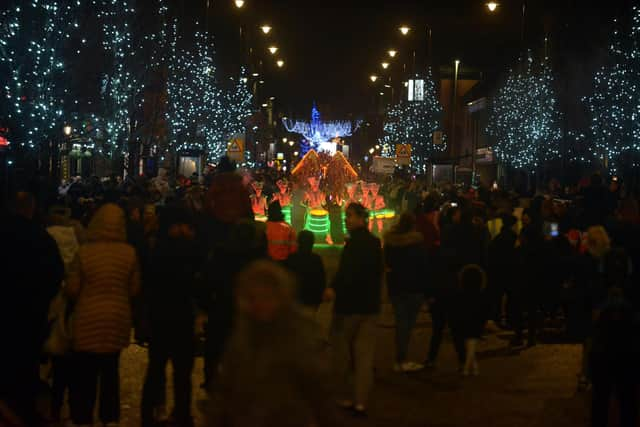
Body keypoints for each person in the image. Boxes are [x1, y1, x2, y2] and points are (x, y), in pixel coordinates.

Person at [216, 261, 338, 427]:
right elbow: (225, 394)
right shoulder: (243, 336)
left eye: (267, 298)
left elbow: (320, 395)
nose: (259, 304)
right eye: (252, 298)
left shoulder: (301, 337)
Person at [66, 203, 141, 426]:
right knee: (110, 371)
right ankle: (109, 416)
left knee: (85, 374)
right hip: (116, 318)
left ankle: (83, 415)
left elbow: (72, 288)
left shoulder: (85, 252)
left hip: (87, 317)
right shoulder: (129, 253)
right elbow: (135, 288)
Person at [0, 192, 64, 426]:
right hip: (30, 311)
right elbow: (55, 274)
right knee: (26, 362)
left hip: (6, 309)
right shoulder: (41, 238)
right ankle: (23, 408)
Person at [141, 205, 201, 427]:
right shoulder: (186, 249)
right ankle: (182, 414)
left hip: (159, 315)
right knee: (181, 373)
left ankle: (149, 415)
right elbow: (196, 281)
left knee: (156, 369)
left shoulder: (155, 247)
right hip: (181, 316)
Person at [324, 202, 383, 416]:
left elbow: (345, 274)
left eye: (349, 216)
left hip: (350, 308)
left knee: (342, 354)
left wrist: (333, 289)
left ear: (361, 218)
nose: (346, 219)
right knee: (364, 356)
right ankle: (361, 402)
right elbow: (378, 273)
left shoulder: (352, 245)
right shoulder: (375, 243)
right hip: (369, 306)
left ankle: (343, 395)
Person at [589, 249, 638, 427]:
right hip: (627, 349)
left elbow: (594, 319)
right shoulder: (632, 289)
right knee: (627, 398)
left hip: (604, 349)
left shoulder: (599, 288)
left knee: (601, 397)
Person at [383, 212, 427, 373]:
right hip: (413, 287)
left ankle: (400, 357)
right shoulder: (416, 244)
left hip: (396, 286)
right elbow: (422, 266)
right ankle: (401, 358)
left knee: (402, 323)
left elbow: (387, 263)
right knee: (406, 325)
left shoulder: (391, 243)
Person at [453, 265, 488, 377]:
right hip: (476, 322)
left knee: (468, 344)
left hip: (464, 322)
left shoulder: (460, 294)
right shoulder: (481, 295)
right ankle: (471, 367)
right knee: (472, 344)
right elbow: (485, 311)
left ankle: (469, 367)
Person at [285, 230, 326, 318]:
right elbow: (321, 280)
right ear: (312, 243)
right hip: (311, 300)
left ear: (298, 242)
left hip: (294, 300)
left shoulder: (291, 259)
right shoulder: (316, 259)